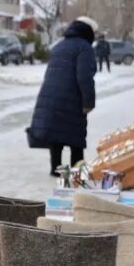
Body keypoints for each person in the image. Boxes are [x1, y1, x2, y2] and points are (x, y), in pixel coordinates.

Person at [27, 16, 98, 176]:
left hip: (52, 94)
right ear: (88, 31)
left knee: (56, 133)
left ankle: (55, 167)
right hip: (72, 96)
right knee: (76, 135)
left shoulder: (60, 45)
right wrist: (88, 102)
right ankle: (76, 169)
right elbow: (85, 77)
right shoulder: (84, 48)